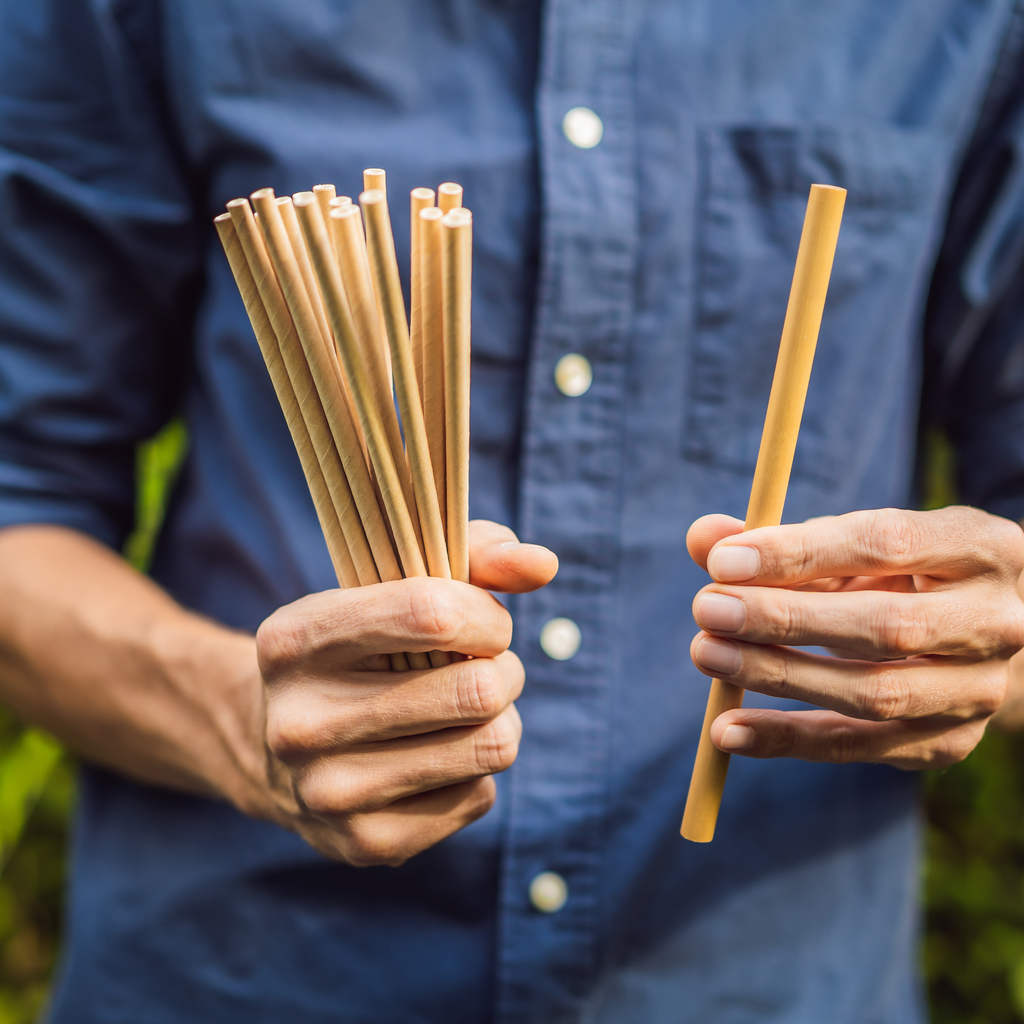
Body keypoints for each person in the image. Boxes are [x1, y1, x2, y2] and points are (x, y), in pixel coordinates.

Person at [2, 1, 1024, 1021]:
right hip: (244, 973)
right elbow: (20, 496)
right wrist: (235, 717)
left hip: (765, 981)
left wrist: (985, 631)